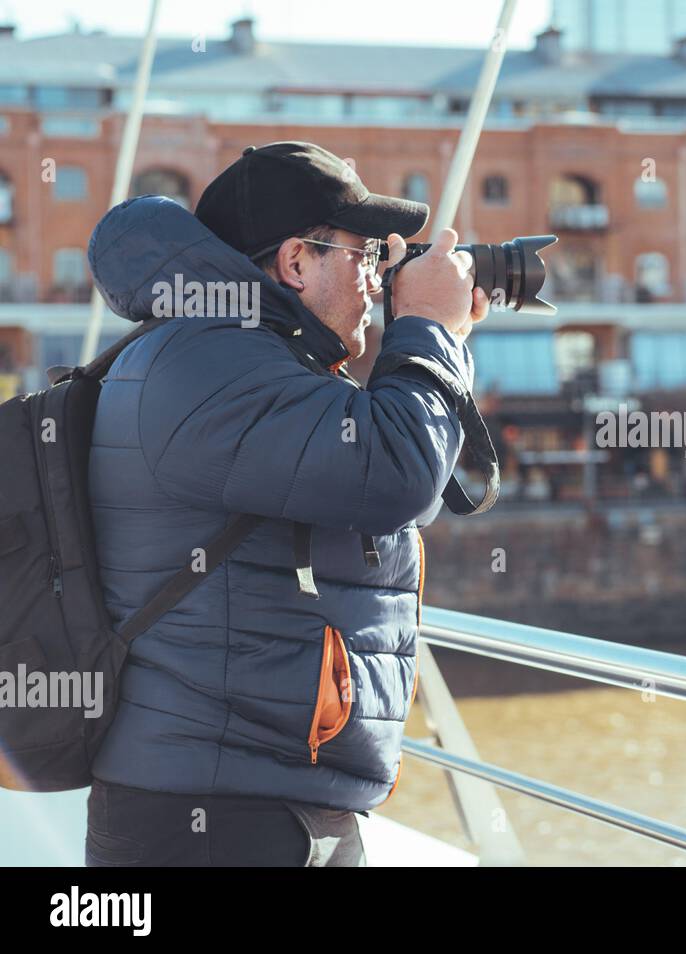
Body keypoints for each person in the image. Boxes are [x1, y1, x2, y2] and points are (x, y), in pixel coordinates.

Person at [82, 141, 489, 866]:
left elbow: (362, 458)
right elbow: (396, 474)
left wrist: (434, 335)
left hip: (233, 793)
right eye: (363, 255)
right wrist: (428, 328)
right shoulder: (214, 363)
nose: (375, 279)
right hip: (225, 816)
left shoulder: (219, 352)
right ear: (297, 261)